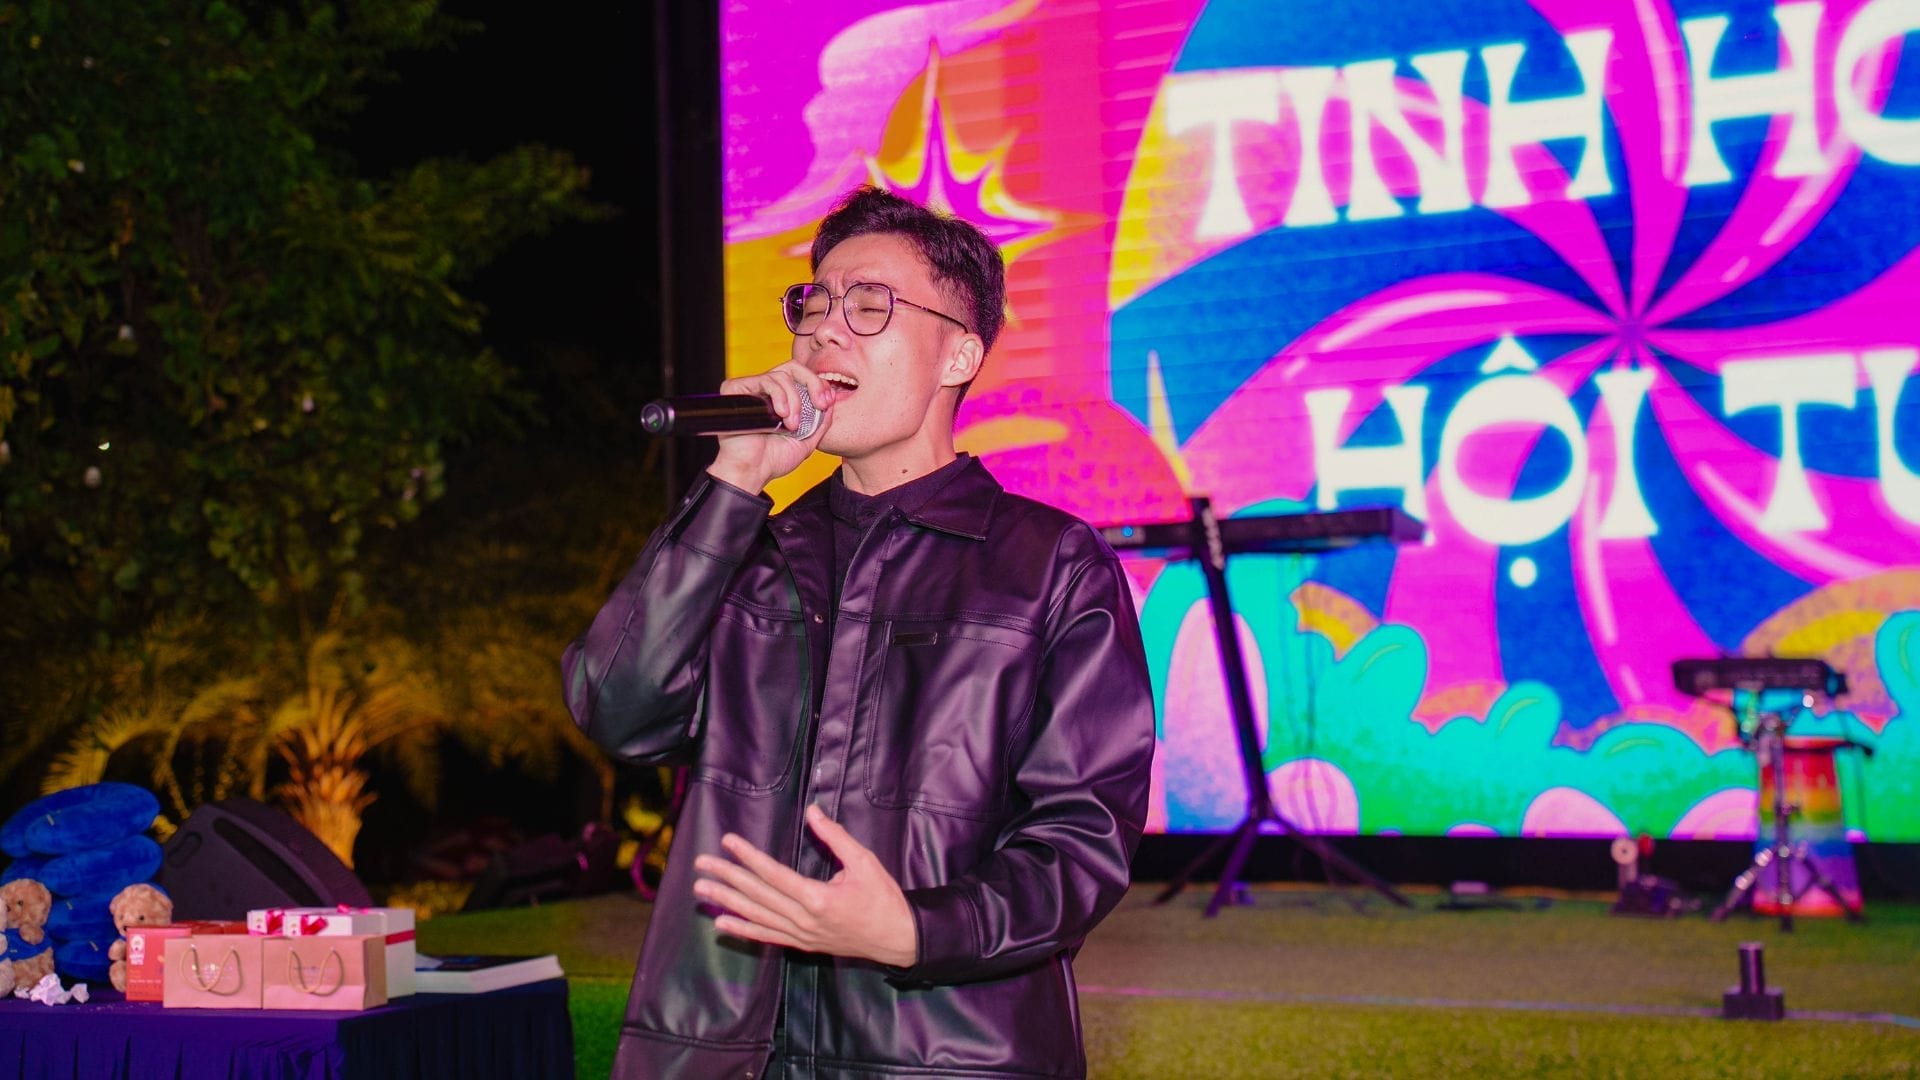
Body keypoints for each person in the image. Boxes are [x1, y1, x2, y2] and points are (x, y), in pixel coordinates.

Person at [562, 186, 1155, 1079]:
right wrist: (732, 485)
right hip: (727, 1054)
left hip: (946, 1056)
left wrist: (917, 930)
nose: (826, 331)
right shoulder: (749, 548)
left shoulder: (1049, 566)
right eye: (816, 303)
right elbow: (616, 710)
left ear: (959, 353)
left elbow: (1082, 840)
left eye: (871, 305)